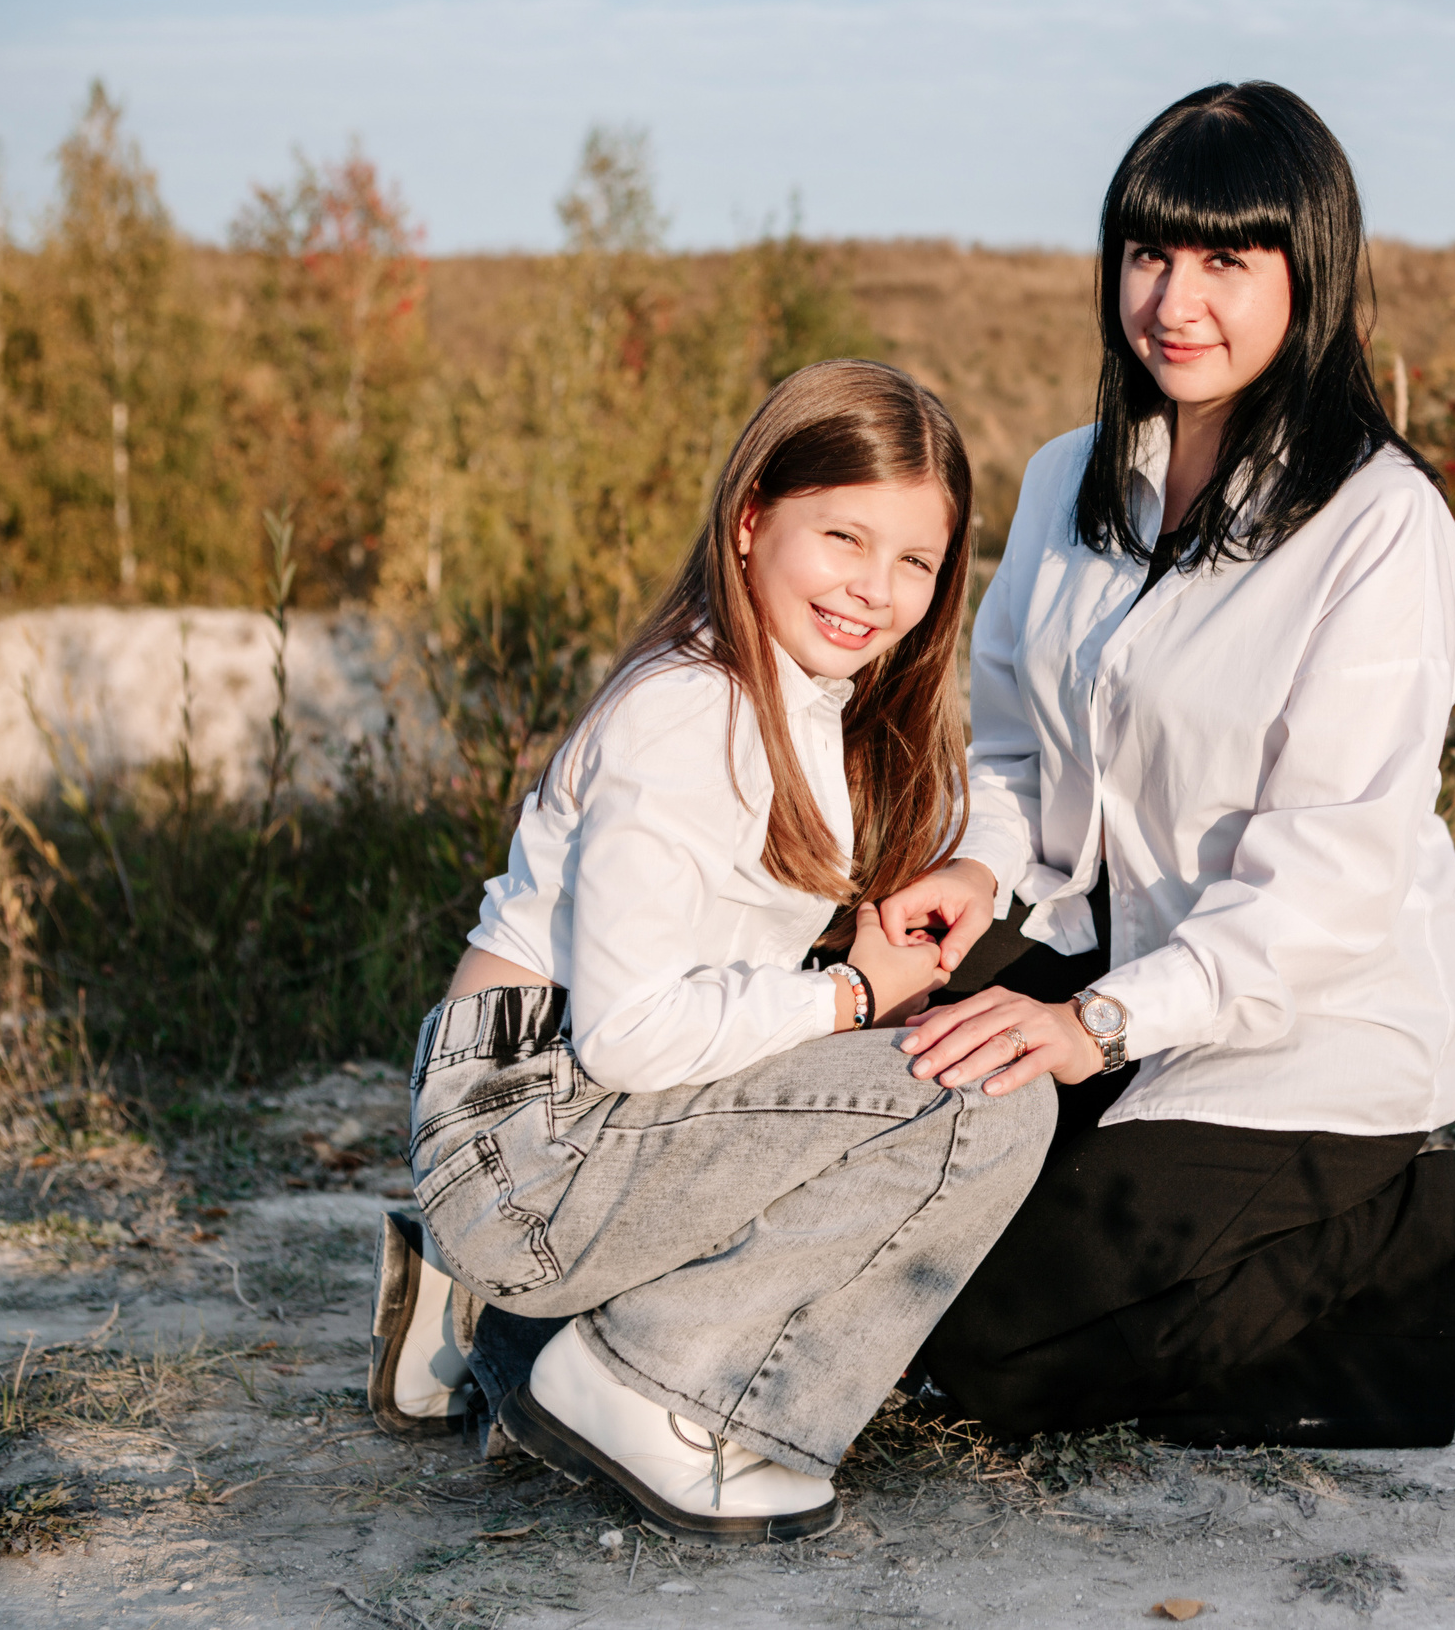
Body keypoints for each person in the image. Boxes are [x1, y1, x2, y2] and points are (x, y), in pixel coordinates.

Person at [880, 82, 1455, 1451]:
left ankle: (1425, 1229)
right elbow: (1007, 742)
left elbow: (1328, 887)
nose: (1174, 298)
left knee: (994, 1342)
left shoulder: (1377, 526)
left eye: (1227, 259)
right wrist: (975, 865)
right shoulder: (1072, 476)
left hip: (1304, 1013)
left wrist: (1097, 1027)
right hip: (1096, 946)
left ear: (1314, 274)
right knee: (875, 1172)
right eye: (1148, 252)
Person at [367, 360, 1055, 1544]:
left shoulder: (803, 696)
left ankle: (492, 1325)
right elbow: (631, 1033)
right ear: (749, 521)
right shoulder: (691, 709)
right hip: (534, 1142)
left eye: (914, 562)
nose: (875, 589)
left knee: (937, 1050)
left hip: (557, 1126)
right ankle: (652, 1388)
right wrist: (848, 994)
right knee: (982, 1098)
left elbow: (989, 808)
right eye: (842, 536)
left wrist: (965, 874)